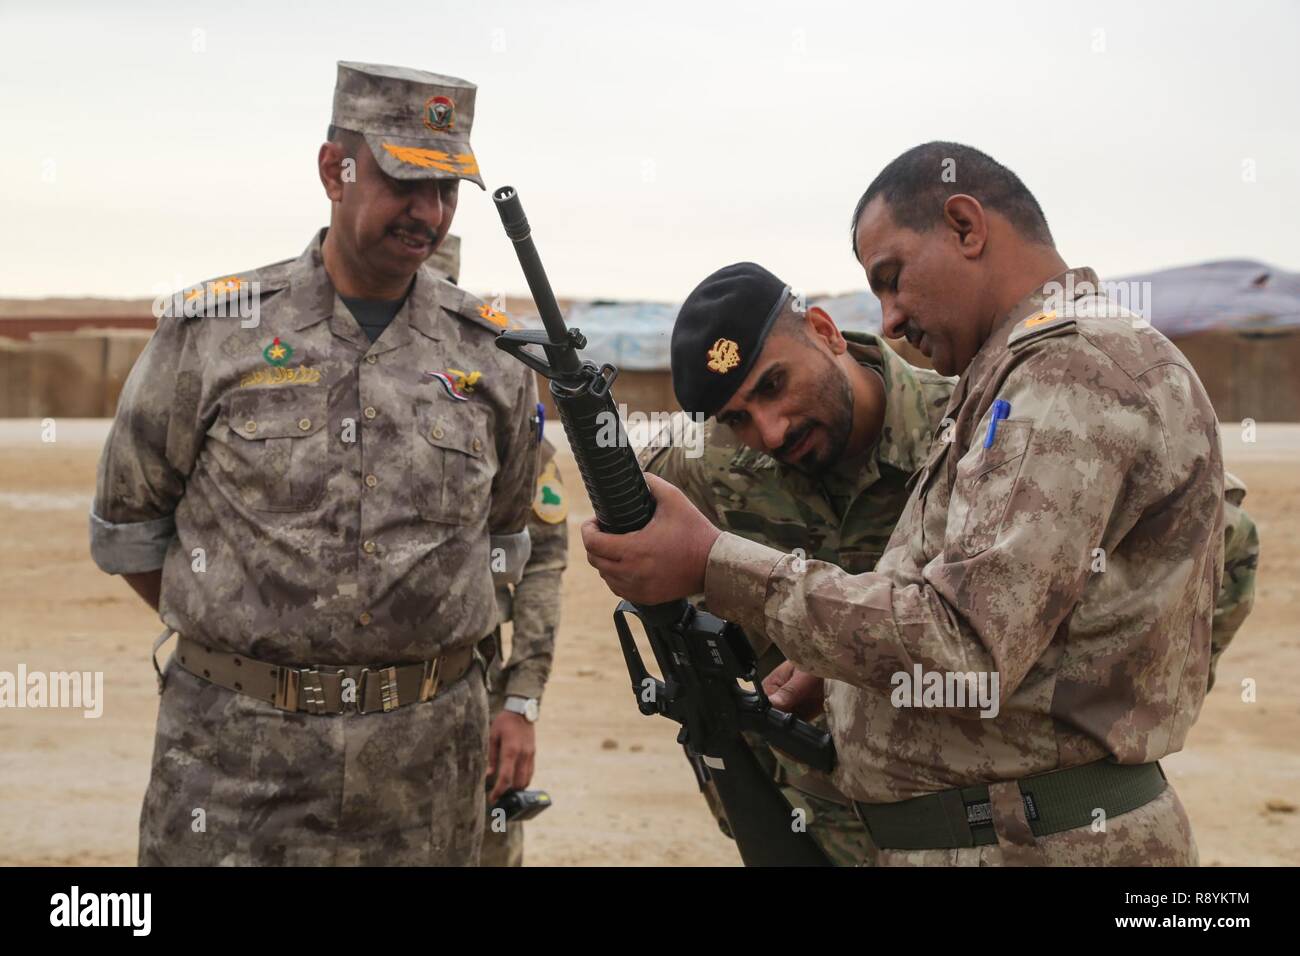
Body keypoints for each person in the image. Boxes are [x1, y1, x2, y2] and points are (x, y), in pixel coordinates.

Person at [586, 143, 1226, 865]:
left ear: (965, 226)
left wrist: (714, 562)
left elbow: (964, 645)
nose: (888, 320)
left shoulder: (1066, 370)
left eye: (893, 280)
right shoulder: (1022, 372)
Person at [88, 61, 539, 866]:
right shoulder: (213, 332)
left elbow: (508, 541)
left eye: (447, 192)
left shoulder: (494, 355)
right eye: (405, 183)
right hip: (233, 771)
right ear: (336, 170)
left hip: (427, 775)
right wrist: (259, 645)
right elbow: (129, 527)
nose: (428, 214)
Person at [481, 436, 568, 867]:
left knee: (485, 848)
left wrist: (522, 702)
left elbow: (542, 562)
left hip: (473, 691)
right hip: (317, 693)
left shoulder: (499, 413)